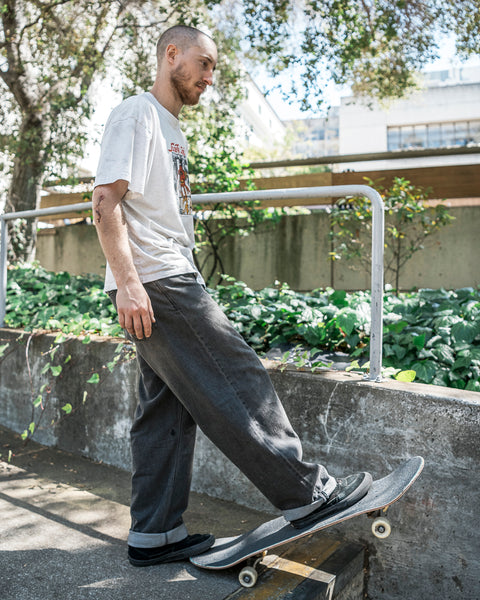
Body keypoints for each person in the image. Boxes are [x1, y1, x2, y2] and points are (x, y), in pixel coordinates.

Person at [92, 24, 372, 568]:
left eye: (214, 68)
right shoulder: (138, 112)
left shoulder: (171, 128)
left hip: (163, 278)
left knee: (167, 413)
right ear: (170, 54)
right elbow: (105, 202)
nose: (209, 77)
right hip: (156, 280)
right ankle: (306, 493)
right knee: (238, 377)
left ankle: (155, 534)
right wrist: (128, 283)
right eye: (204, 63)